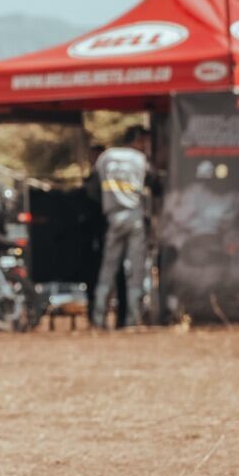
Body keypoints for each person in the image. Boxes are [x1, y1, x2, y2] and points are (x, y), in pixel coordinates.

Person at [91, 126, 151, 328]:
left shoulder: (106, 157)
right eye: (144, 142)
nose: (145, 147)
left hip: (112, 217)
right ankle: (133, 319)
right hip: (134, 216)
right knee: (136, 270)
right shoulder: (139, 159)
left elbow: (93, 187)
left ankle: (98, 318)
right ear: (137, 140)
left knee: (108, 269)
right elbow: (153, 183)